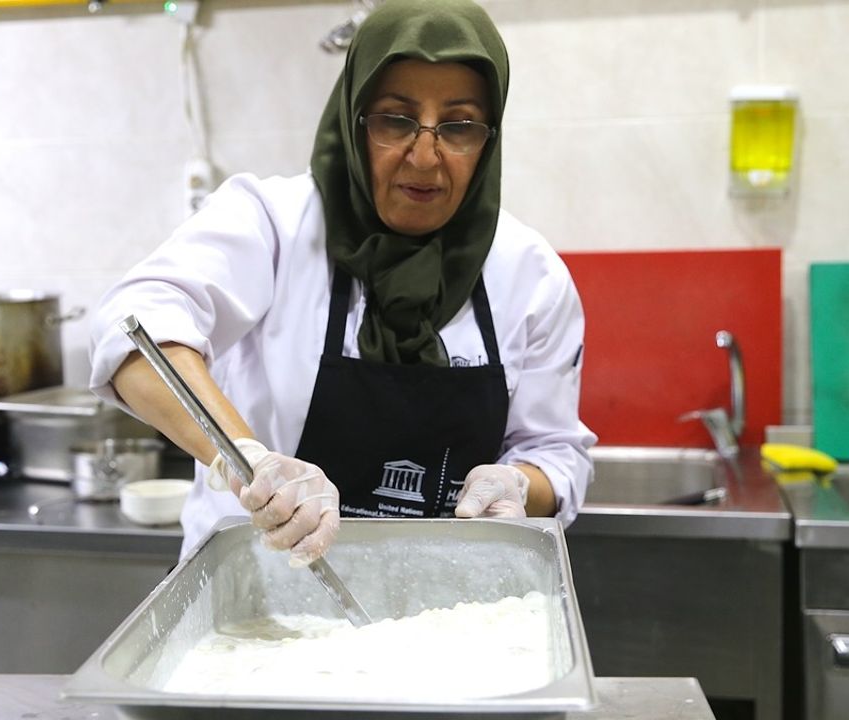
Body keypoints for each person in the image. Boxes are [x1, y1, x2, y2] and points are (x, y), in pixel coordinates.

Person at [89, 0, 595, 566]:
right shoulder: (272, 226)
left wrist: (519, 486)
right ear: (353, 118)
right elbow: (132, 326)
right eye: (395, 119)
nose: (425, 158)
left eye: (458, 126)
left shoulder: (531, 276)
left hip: (452, 614)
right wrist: (249, 461)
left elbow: (555, 453)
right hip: (257, 611)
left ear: (489, 137)